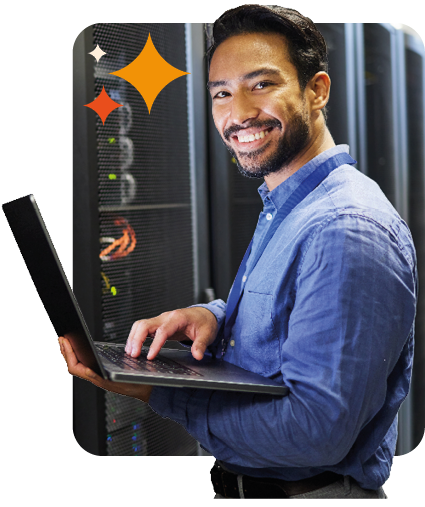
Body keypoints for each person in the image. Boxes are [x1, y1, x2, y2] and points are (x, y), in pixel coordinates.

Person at [59, 5, 417, 499]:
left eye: (262, 85)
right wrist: (211, 316)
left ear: (317, 90)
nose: (238, 112)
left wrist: (161, 392)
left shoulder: (345, 230)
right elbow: (297, 313)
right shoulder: (290, 205)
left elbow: (316, 434)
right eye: (221, 94)